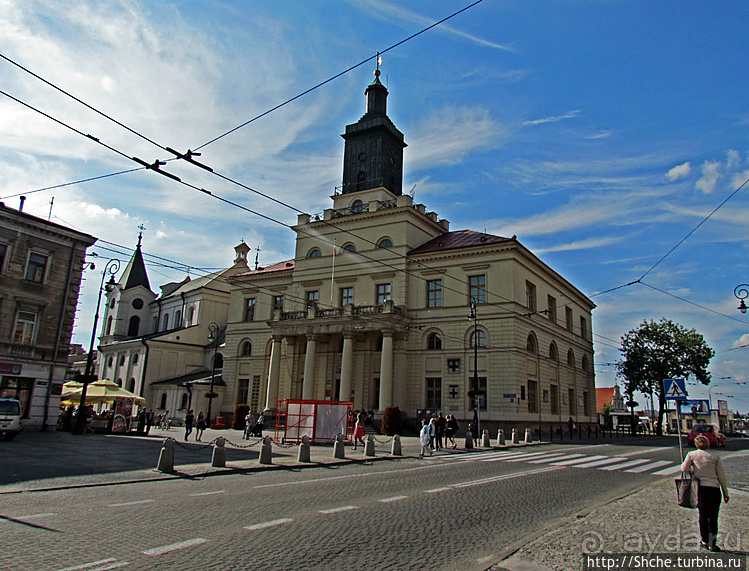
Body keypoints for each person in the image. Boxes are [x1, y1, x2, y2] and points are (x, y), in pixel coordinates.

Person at [681, 434, 730, 552]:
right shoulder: (715, 457)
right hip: (714, 489)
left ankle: (704, 540)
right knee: (713, 517)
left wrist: (692, 472)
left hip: (701, 489)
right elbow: (721, 476)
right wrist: (725, 492)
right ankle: (713, 543)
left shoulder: (692, 455)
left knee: (703, 516)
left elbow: (684, 468)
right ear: (708, 444)